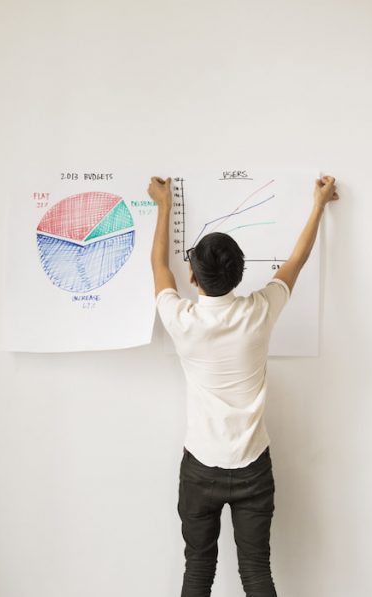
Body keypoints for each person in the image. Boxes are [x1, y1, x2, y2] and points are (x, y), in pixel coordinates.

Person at [148, 174, 339, 597]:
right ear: (239, 274)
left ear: (194, 279)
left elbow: (159, 268)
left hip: (200, 468)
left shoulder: (183, 320)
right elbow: (296, 262)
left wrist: (164, 207)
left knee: (197, 571)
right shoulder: (259, 311)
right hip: (253, 466)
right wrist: (319, 204)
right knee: (257, 572)